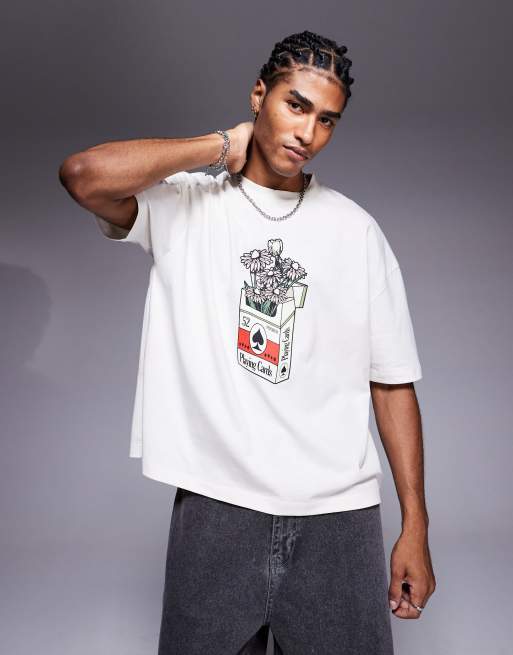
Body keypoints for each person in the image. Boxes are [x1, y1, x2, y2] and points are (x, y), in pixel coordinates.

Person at [59, 29, 435, 655]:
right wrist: (219, 145)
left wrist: (415, 525)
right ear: (259, 95)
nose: (307, 133)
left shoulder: (356, 231)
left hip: (337, 519)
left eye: (326, 120)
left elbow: (392, 383)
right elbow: (82, 176)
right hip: (218, 509)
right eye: (295, 105)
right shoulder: (186, 205)